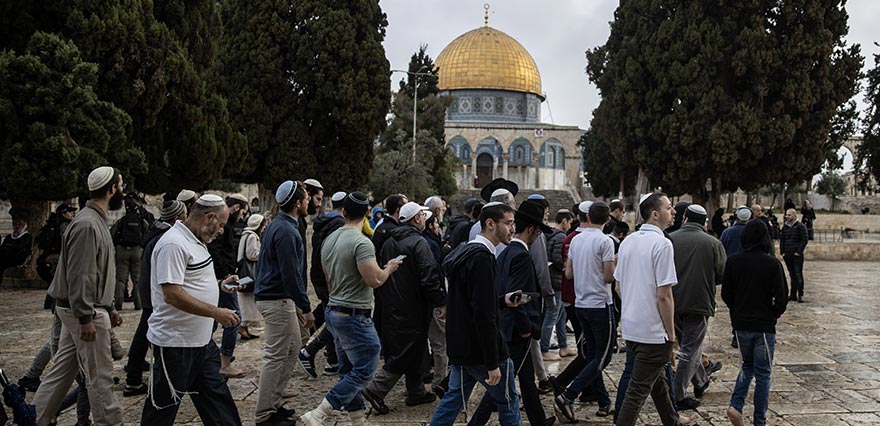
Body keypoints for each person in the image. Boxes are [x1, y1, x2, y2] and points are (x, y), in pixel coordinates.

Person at [32, 166, 125, 426]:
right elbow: (81, 275)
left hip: (85, 308)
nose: (122, 190)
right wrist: (86, 316)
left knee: (63, 370)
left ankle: (36, 417)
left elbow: (96, 272)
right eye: (120, 185)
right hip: (84, 312)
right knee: (100, 376)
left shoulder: (92, 219)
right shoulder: (87, 224)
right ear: (111, 189)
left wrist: (111, 307)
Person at [300, 192, 402, 426]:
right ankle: (319, 414)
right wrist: (390, 267)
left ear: (343, 212)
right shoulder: (361, 242)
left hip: (334, 310)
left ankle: (358, 419)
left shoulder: (330, 239)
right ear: (367, 213)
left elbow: (327, 278)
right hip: (354, 314)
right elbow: (375, 280)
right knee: (366, 367)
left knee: (347, 370)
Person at [141, 194, 243, 425]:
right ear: (209, 217)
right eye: (222, 225)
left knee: (219, 404)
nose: (221, 231)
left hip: (201, 344)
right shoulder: (173, 244)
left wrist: (220, 286)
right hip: (176, 345)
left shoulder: (195, 241)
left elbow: (190, 282)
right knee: (161, 410)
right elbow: (172, 294)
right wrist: (216, 312)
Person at [430, 202, 523, 426]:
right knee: (509, 402)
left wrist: (501, 300)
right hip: (483, 350)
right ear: (490, 224)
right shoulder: (482, 258)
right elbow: (483, 313)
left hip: (463, 345)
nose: (513, 229)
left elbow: (469, 301)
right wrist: (492, 361)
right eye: (509, 224)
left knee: (453, 399)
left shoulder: (465, 250)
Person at [469, 200, 556, 426]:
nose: (538, 236)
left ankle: (538, 420)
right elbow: (515, 296)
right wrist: (526, 329)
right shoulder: (521, 256)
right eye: (538, 231)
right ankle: (475, 423)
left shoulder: (505, 252)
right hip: (516, 331)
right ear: (532, 230)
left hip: (510, 327)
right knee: (499, 387)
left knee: (526, 378)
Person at [362, 202, 445, 413]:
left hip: (393, 303)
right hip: (414, 305)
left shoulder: (390, 241)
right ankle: (375, 389)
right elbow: (429, 276)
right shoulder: (419, 242)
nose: (425, 219)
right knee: (406, 350)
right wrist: (440, 301)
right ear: (416, 219)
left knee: (414, 347)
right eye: (422, 216)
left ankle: (416, 391)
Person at [614, 192, 680, 426]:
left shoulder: (628, 241)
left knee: (659, 385)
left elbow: (619, 286)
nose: (673, 212)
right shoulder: (662, 244)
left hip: (632, 328)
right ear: (655, 214)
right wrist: (671, 335)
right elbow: (664, 296)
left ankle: (672, 421)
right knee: (636, 393)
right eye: (669, 207)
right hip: (653, 333)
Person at [253, 180, 314, 426]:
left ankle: (275, 403)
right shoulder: (287, 231)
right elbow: (291, 274)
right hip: (276, 298)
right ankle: (264, 414)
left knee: (292, 347)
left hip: (278, 297)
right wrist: (306, 307)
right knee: (276, 355)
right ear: (297, 203)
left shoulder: (282, 225)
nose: (309, 202)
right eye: (307, 198)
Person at [553, 201, 616, 421]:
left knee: (591, 355)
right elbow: (609, 277)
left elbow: (568, 274)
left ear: (587, 216)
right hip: (600, 304)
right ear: (608, 220)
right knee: (603, 356)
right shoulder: (605, 241)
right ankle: (568, 394)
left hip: (581, 304)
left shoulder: (576, 240)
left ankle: (604, 401)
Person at [722, 220, 789, 426]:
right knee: (763, 374)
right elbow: (782, 297)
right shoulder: (772, 263)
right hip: (763, 327)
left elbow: (726, 294)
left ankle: (736, 405)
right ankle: (759, 421)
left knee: (747, 366)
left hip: (741, 325)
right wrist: (773, 314)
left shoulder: (733, 261)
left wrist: (738, 310)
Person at [123, 200, 187, 397]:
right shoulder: (165, 237)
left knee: (145, 332)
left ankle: (134, 374)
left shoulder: (157, 232)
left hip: (150, 289)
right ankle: (133, 379)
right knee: (145, 333)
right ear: (178, 217)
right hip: (154, 292)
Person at [669, 204, 726, 410]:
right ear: (704, 222)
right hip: (699, 302)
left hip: (672, 301)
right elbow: (721, 274)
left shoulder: (670, 239)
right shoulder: (713, 243)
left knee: (688, 345)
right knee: (690, 349)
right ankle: (678, 393)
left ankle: (701, 381)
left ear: (685, 218)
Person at [300, 192, 347, 378]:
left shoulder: (322, 222)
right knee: (337, 316)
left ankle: (331, 359)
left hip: (318, 274)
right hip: (329, 277)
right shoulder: (338, 225)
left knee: (327, 311)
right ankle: (309, 350)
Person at [207, 193, 250, 378]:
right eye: (242, 212)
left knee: (213, 321)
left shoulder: (229, 225)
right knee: (233, 319)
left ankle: (211, 358)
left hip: (223, 278)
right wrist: (226, 274)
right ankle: (224, 362)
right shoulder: (223, 226)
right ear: (236, 208)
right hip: (222, 280)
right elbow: (216, 251)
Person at [110, 193, 151, 310]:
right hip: (137, 251)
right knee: (137, 279)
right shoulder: (141, 221)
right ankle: (138, 304)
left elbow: (112, 234)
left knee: (121, 279)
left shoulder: (122, 221)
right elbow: (147, 233)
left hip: (122, 250)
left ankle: (118, 303)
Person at [542, 209, 573, 360]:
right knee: (552, 315)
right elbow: (558, 259)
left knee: (561, 316)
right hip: (557, 280)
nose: (570, 225)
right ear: (564, 221)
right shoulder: (560, 236)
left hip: (553, 279)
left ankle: (563, 346)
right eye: (570, 222)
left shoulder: (551, 234)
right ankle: (544, 349)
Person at [237, 213, 266, 340]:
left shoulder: (246, 234)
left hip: (243, 271)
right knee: (247, 302)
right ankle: (242, 327)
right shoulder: (252, 236)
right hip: (249, 272)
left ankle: (245, 328)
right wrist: (264, 253)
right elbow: (252, 254)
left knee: (246, 302)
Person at [780, 208, 808, 303]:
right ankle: (793, 294)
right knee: (792, 275)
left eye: (789, 215)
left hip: (796, 255)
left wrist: (798, 252)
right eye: (786, 215)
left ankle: (800, 294)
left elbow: (804, 240)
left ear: (794, 215)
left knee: (798, 274)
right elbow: (782, 239)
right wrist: (782, 252)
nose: (787, 217)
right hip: (787, 254)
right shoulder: (785, 227)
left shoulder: (801, 226)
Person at [0, 217, 32, 284]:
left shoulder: (27, 236)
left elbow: (22, 248)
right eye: (15, 225)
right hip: (6, 257)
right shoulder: (9, 236)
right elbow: (3, 246)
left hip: (18, 258)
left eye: (19, 225)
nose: (17, 227)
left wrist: (10, 247)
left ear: (24, 226)